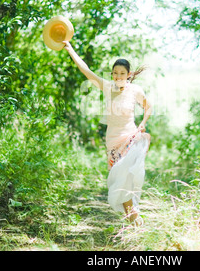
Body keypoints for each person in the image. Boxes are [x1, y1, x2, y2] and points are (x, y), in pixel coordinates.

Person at [63, 41, 152, 225]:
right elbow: (86, 70)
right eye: (115, 73)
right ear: (112, 74)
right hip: (112, 142)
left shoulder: (135, 90)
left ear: (128, 75)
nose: (118, 76)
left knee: (125, 178)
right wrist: (70, 49)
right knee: (117, 181)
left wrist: (143, 123)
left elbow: (148, 106)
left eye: (122, 73)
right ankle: (133, 220)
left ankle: (135, 218)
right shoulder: (107, 87)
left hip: (130, 138)